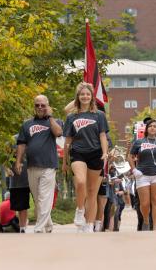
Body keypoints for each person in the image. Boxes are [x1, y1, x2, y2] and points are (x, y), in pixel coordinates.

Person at [62, 82, 109, 233]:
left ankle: (89, 225)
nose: (85, 96)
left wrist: (105, 152)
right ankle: (80, 210)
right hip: (78, 153)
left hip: (95, 153)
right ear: (78, 96)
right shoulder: (72, 116)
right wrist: (64, 161)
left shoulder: (99, 115)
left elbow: (103, 136)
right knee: (81, 182)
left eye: (88, 94)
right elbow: (68, 140)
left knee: (92, 193)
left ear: (92, 97)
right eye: (82, 94)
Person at [15, 95, 63, 233]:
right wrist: (18, 161)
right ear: (34, 107)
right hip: (31, 166)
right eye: (37, 105)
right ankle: (48, 225)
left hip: (48, 165)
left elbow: (59, 132)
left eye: (43, 105)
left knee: (44, 198)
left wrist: (50, 117)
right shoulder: (27, 124)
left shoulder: (55, 121)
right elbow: (21, 144)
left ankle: (39, 227)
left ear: (48, 106)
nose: (40, 107)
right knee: (38, 199)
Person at [128, 119, 156, 231]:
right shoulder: (139, 142)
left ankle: (155, 228)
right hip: (142, 175)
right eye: (150, 126)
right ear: (146, 129)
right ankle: (146, 220)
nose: (152, 128)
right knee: (144, 203)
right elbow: (130, 156)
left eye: (155, 126)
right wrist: (134, 170)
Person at [9, 138, 30, 233]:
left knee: (39, 202)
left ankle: (44, 224)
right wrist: (7, 170)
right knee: (21, 206)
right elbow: (4, 159)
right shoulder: (11, 141)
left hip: (32, 176)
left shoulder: (33, 139)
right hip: (17, 180)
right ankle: (22, 228)